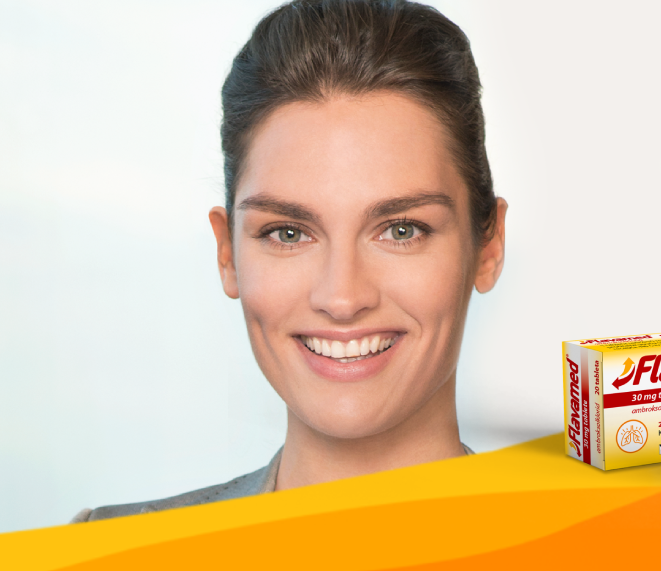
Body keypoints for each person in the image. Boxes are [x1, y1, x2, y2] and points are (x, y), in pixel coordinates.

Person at [72, 0, 506, 522]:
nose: (342, 298)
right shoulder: (104, 546)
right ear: (228, 253)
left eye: (401, 230)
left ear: (488, 246)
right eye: (289, 233)